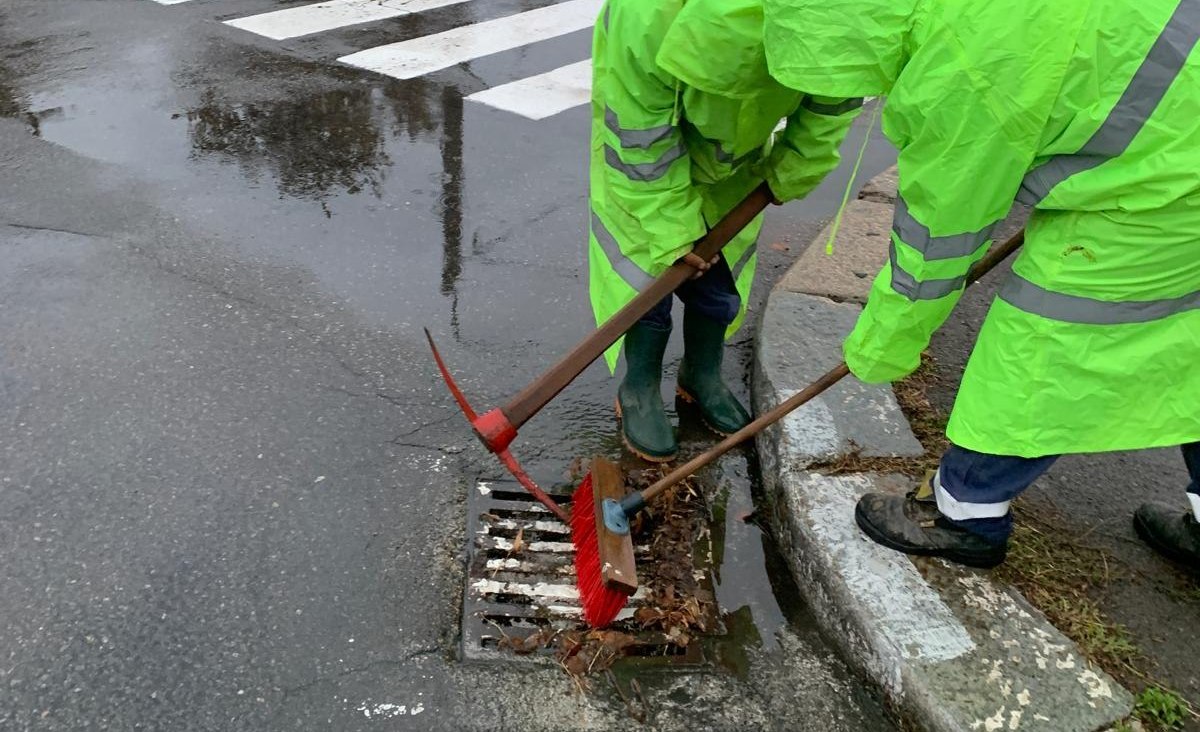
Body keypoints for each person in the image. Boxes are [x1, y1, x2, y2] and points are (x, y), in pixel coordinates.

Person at [759, 0, 1200, 568]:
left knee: (1053, 335)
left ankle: (964, 512)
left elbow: (939, 240)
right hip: (1176, 129)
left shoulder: (963, 68)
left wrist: (882, 346)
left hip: (1170, 184)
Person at [589, 0, 863, 462]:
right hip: (647, 160)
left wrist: (793, 167)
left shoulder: (832, 15)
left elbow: (835, 97)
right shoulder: (646, 16)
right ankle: (639, 384)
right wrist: (674, 230)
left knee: (719, 279)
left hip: (741, 162)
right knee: (647, 272)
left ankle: (701, 373)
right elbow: (640, 141)